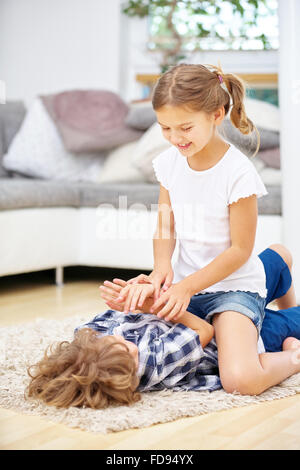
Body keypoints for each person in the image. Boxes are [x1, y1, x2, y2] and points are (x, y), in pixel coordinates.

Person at [113, 63, 300, 396]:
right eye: (165, 128)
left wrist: (185, 287)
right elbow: (166, 223)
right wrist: (161, 269)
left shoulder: (237, 173)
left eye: (185, 127)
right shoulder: (168, 162)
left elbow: (240, 251)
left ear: (216, 114)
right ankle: (278, 262)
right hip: (188, 285)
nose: (175, 138)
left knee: (241, 380)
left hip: (233, 287)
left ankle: (293, 356)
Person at [26, 245, 300, 409]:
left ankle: (284, 306)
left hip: (202, 303)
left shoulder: (89, 333)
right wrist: (153, 306)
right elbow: (204, 332)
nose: (133, 353)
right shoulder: (152, 364)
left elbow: (126, 316)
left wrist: (136, 293)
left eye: (121, 348)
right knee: (286, 325)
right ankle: (291, 356)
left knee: (279, 254)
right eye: (131, 363)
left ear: (93, 343)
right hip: (237, 338)